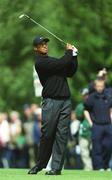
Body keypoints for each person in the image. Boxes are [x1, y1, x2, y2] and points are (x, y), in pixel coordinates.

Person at [28, 36, 78, 175]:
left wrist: (74, 56)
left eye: (45, 43)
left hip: (65, 102)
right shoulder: (40, 63)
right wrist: (69, 52)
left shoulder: (54, 61)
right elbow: (61, 64)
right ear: (35, 48)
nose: (44, 45)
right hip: (51, 102)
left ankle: (56, 168)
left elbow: (70, 71)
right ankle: (40, 164)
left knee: (62, 135)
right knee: (48, 134)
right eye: (41, 44)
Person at [84, 79, 112, 170]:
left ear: (104, 87)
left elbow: (110, 110)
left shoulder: (107, 96)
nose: (100, 88)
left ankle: (106, 165)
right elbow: (86, 110)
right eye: (98, 86)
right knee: (97, 147)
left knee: (108, 146)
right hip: (97, 125)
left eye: (102, 86)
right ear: (95, 87)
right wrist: (90, 123)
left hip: (108, 125)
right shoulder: (91, 98)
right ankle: (99, 167)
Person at [75, 88, 92, 170]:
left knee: (90, 151)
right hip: (85, 131)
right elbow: (78, 116)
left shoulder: (93, 103)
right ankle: (89, 168)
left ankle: (92, 168)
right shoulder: (80, 106)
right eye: (84, 95)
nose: (86, 96)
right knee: (85, 151)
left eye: (87, 94)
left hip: (92, 131)